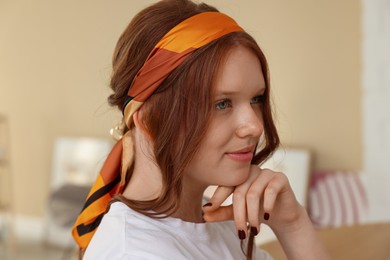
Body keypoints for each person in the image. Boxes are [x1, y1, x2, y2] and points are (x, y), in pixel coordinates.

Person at [72, 0, 330, 259]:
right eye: (222, 104)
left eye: (256, 99)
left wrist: (293, 224)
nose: (254, 126)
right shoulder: (135, 253)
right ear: (149, 121)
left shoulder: (215, 225)